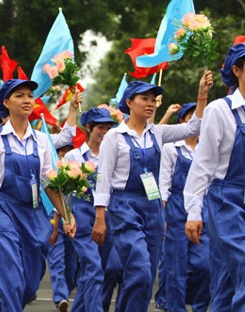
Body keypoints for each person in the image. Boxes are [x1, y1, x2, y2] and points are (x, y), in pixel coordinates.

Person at [91, 71, 213, 311]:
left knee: (146, 275)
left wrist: (202, 95)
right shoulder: (114, 137)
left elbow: (193, 128)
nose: (149, 104)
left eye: (152, 99)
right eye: (143, 99)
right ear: (128, 102)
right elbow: (103, 177)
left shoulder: (158, 132)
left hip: (153, 208)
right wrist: (100, 217)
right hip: (124, 207)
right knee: (139, 269)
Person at [0, 79, 76, 312]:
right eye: (19, 95)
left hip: (33, 212)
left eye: (30, 95)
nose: (27, 100)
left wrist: (67, 215)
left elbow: (49, 183)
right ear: (6, 102)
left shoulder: (42, 140)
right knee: (10, 276)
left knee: (29, 285)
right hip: (2, 210)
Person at [184, 43, 245, 310]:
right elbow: (203, 166)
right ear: (237, 70)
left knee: (226, 281)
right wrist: (194, 212)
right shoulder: (220, 110)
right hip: (226, 201)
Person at [159, 103, 211, 312]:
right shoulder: (171, 148)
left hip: (202, 207)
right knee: (176, 266)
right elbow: (164, 184)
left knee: (204, 265)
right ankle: (176, 308)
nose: (196, 122)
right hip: (176, 208)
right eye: (192, 117)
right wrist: (161, 215)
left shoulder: (207, 148)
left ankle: (199, 306)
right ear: (182, 122)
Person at [65, 107, 116, 312]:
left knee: (98, 271)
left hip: (107, 218)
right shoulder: (73, 156)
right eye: (100, 128)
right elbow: (65, 192)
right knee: (93, 268)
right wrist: (67, 218)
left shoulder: (113, 154)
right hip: (82, 220)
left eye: (108, 128)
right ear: (89, 128)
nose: (104, 132)